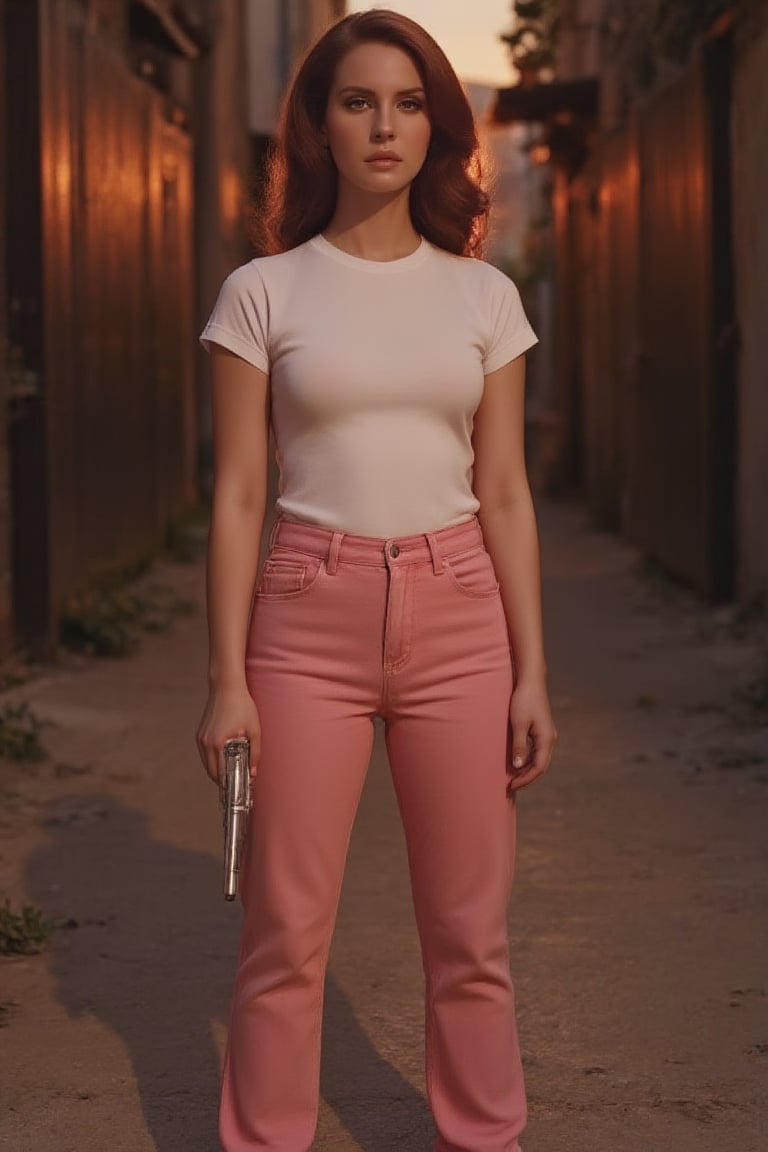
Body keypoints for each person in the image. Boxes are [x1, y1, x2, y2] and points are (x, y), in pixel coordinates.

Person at [197, 9, 557, 1151]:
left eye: (407, 103)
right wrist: (226, 679)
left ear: (438, 127)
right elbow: (240, 498)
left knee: (470, 937)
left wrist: (532, 672)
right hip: (306, 619)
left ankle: (482, 1137)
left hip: (462, 619)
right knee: (284, 935)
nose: (384, 125)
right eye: (357, 101)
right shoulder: (264, 292)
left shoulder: (482, 298)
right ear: (318, 126)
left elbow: (504, 494)